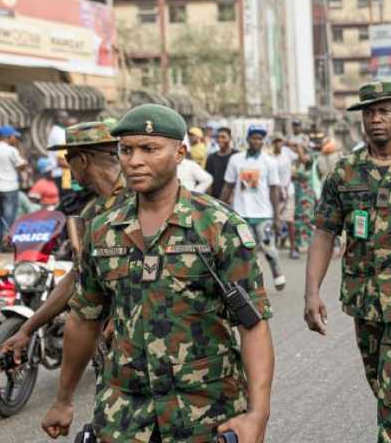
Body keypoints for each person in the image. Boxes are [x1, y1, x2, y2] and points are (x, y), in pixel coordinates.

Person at [41, 105, 274, 442]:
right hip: (124, 413)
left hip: (204, 412)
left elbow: (253, 325)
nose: (135, 160)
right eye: (126, 149)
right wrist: (63, 400)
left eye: (149, 149)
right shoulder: (102, 230)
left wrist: (258, 415)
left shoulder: (218, 226)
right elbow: (84, 319)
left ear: (180, 153)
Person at [304, 82, 391, 442]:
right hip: (365, 302)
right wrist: (312, 293)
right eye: (369, 112)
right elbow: (325, 232)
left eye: (385, 110)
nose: (376, 119)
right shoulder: (344, 173)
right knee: (382, 387)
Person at [0, 121, 127, 362]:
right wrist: (27, 329)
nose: (67, 165)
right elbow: (77, 277)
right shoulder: (93, 211)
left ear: (82, 161)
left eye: (69, 158)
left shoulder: (143, 197)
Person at [222, 125, 286, 290]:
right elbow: (228, 186)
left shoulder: (269, 162)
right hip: (241, 214)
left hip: (264, 214)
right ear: (248, 139)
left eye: (260, 138)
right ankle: (250, 284)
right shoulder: (236, 160)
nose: (257, 141)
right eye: (254, 138)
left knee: (267, 247)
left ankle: (277, 273)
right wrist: (220, 208)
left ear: (263, 141)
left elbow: (274, 190)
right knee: (245, 250)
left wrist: (277, 216)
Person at [0, 125, 28, 252]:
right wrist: (24, 163)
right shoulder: (11, 150)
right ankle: (7, 244)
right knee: (9, 217)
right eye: (14, 136)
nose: (15, 139)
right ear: (8, 137)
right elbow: (21, 166)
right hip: (9, 187)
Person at [204, 126, 237, 197]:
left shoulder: (236, 156)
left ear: (230, 138)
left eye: (223, 137)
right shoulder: (211, 157)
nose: (219, 139)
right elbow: (208, 179)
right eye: (218, 137)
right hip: (216, 198)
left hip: (232, 198)